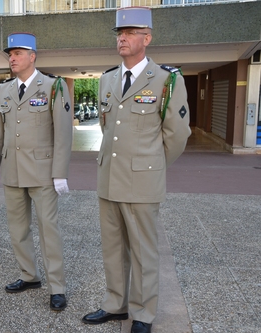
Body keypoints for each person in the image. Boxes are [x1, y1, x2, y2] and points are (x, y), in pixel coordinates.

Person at [81, 7, 191, 333]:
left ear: (147, 38)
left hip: (142, 181)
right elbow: (107, 128)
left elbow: (177, 135)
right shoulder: (107, 79)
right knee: (113, 248)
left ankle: (142, 313)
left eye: (129, 33)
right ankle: (116, 304)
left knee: (143, 251)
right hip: (109, 179)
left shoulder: (166, 80)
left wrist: (151, 166)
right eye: (119, 33)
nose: (122, 38)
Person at [0, 33, 73, 311]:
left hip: (42, 171)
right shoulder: (4, 89)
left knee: (49, 230)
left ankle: (56, 287)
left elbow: (63, 132)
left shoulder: (53, 86)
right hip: (12, 170)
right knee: (17, 229)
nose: (12, 58)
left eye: (18, 53)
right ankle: (29, 275)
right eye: (10, 54)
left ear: (32, 56)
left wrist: (59, 172)